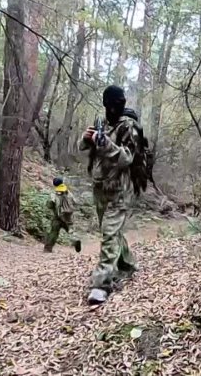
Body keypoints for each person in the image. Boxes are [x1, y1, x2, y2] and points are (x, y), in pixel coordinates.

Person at [79, 85, 143, 305]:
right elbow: (83, 148)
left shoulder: (129, 127)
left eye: (121, 102)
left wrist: (105, 142)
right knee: (111, 232)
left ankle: (102, 284)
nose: (117, 106)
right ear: (106, 104)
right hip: (100, 188)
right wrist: (87, 138)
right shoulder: (102, 124)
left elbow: (127, 158)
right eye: (114, 103)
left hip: (119, 190)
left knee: (108, 234)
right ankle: (127, 264)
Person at [43, 177, 82, 253]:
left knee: (54, 232)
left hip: (57, 217)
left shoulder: (54, 193)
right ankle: (76, 240)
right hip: (68, 217)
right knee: (71, 231)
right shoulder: (68, 192)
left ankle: (48, 249)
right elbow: (75, 202)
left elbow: (49, 205)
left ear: (54, 184)